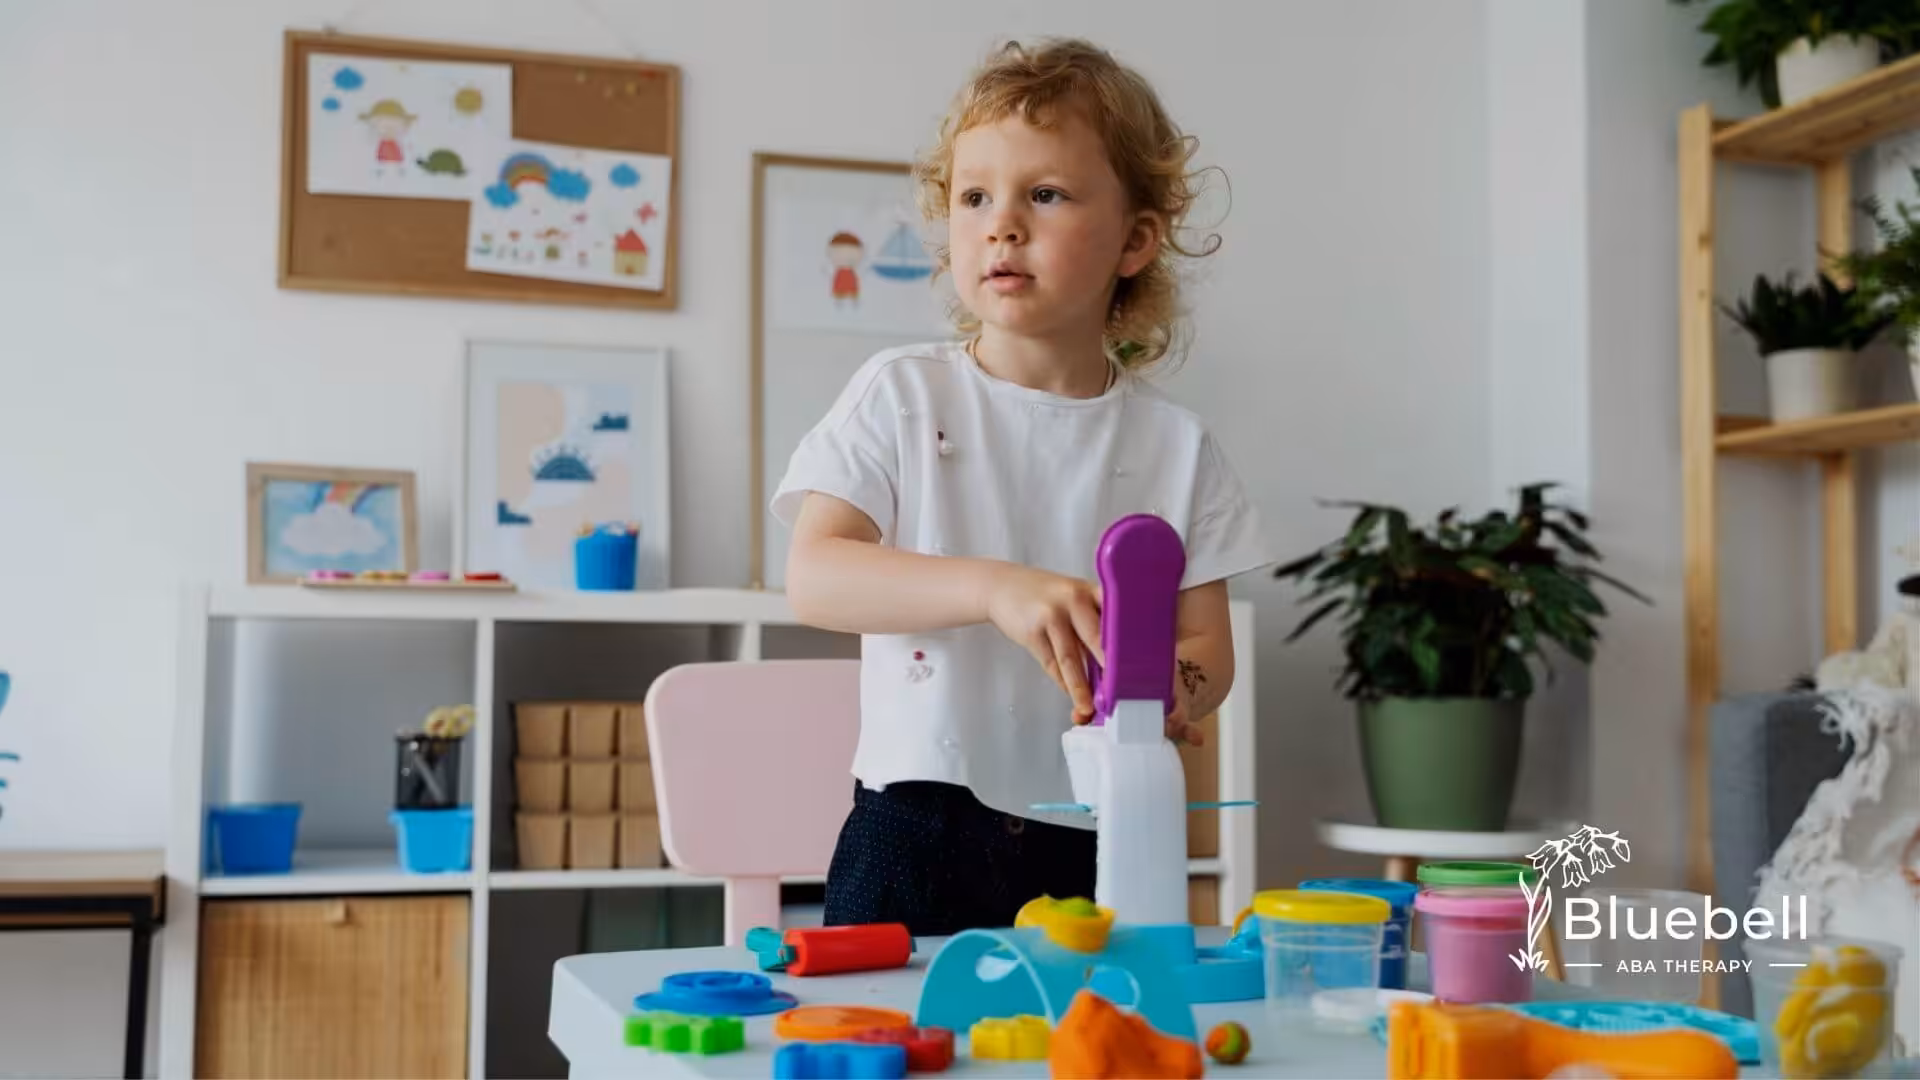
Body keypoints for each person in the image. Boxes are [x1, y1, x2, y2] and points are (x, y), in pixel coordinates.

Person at [771, 37, 1272, 936]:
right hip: (911, 829)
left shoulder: (1178, 447)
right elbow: (815, 576)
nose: (1001, 223)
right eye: (974, 198)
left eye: (1044, 194)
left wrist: (1173, 688)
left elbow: (1208, 644)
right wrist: (991, 587)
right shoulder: (902, 392)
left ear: (1136, 239)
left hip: (1091, 833)